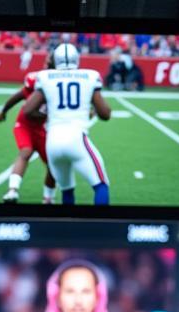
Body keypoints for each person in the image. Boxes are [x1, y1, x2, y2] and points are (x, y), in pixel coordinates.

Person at [21, 42, 111, 206]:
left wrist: (51, 113)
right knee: (101, 185)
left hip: (53, 142)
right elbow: (105, 114)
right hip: (76, 139)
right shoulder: (90, 76)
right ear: (77, 59)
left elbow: (27, 110)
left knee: (67, 190)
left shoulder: (45, 76)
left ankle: (67, 228)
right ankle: (101, 227)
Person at [11, 259, 134, 312]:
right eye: (70, 291)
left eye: (86, 292)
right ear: (56, 297)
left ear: (98, 297)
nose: (78, 301)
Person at [0, 54, 58, 205]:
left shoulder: (61, 83)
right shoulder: (35, 80)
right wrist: (4, 111)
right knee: (26, 151)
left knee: (53, 163)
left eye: (50, 62)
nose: (46, 64)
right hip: (25, 125)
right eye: (46, 61)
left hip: (43, 129)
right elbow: (18, 96)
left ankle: (48, 198)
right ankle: (12, 191)